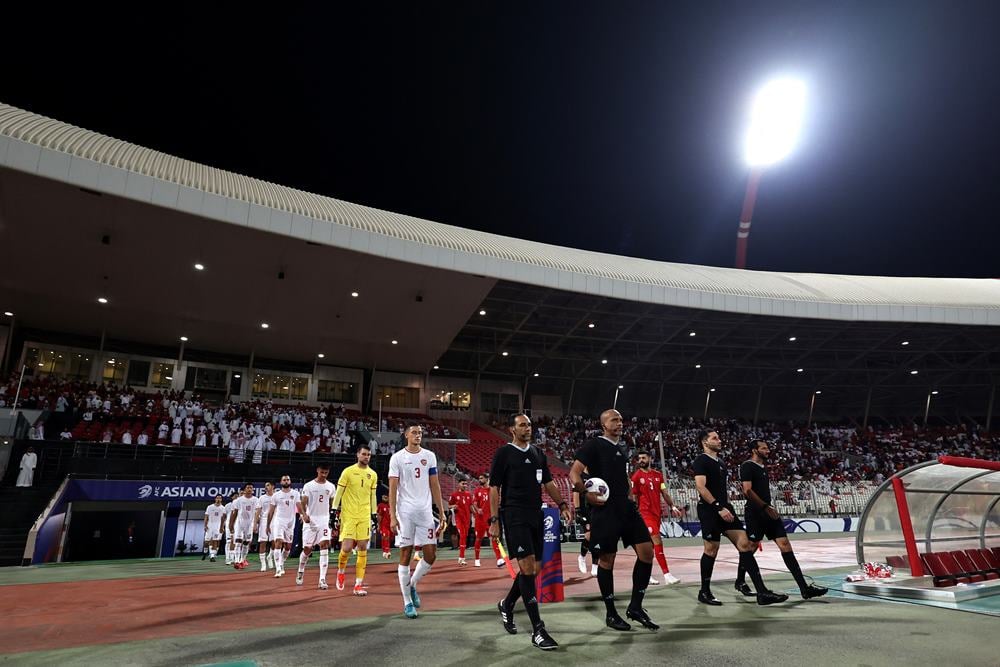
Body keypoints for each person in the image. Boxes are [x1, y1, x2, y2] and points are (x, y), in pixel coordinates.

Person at [568, 409, 659, 631]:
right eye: (614, 420)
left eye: (620, 419)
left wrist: (630, 496)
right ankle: (611, 613)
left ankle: (635, 607)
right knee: (607, 561)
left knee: (647, 552)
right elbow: (574, 474)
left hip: (626, 509)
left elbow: (623, 477)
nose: (619, 423)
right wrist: (586, 494)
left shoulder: (622, 448)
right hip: (605, 511)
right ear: (603, 425)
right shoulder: (594, 445)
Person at [490, 414, 571, 650]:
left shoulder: (537, 454)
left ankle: (506, 604)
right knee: (526, 568)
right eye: (522, 425)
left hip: (536, 514)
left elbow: (548, 483)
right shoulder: (503, 453)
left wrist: (563, 505)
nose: (528, 428)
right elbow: (494, 488)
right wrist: (494, 520)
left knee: (534, 570)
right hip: (514, 514)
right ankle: (538, 630)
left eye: (529, 424)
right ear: (512, 429)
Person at [693, 430, 787, 606]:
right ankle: (704, 592)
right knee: (711, 550)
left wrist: (724, 507)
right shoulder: (701, 460)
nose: (719, 440)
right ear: (705, 442)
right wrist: (718, 507)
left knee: (745, 545)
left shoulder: (720, 462)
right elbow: (701, 487)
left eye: (718, 436)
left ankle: (762, 592)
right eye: (715, 438)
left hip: (725, 508)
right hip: (710, 509)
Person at [733, 441, 828, 600]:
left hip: (768, 511)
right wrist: (765, 507)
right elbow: (747, 490)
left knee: (785, 545)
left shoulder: (763, 468)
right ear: (754, 450)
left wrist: (768, 508)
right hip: (756, 512)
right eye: (763, 448)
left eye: (768, 448)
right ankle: (740, 580)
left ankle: (804, 588)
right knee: (751, 547)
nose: (767, 450)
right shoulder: (747, 466)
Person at [388, 423, 448, 618]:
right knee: (405, 555)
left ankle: (412, 584)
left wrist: (442, 511)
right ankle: (407, 603)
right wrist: (392, 516)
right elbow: (393, 489)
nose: (418, 435)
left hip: (425, 512)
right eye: (414, 432)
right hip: (405, 512)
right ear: (406, 435)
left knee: (431, 555)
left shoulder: (429, 456)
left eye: (420, 433)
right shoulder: (397, 458)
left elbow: (435, 485)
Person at [333, 443, 378, 595]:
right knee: (346, 548)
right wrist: (334, 510)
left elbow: (373, 496)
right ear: (358, 454)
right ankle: (341, 571)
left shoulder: (373, 474)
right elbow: (339, 492)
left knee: (363, 548)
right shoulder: (348, 472)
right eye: (364, 454)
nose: (366, 457)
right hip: (349, 515)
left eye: (369, 455)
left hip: (364, 515)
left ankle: (358, 584)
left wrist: (374, 514)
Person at [630, 450, 681, 585]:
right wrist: (634, 514)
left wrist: (672, 506)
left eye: (643, 458)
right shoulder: (636, 477)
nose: (641, 460)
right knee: (657, 540)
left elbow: (664, 492)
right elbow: (634, 497)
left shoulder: (658, 476)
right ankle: (667, 574)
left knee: (649, 546)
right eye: (639, 458)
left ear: (650, 459)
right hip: (644, 514)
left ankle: (646, 574)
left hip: (656, 514)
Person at [297, 463, 336, 589]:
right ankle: (301, 569)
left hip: (324, 520)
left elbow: (332, 504)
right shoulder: (308, 486)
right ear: (318, 470)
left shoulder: (330, 486)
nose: (324, 475)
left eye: (326, 473)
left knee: (324, 545)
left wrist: (333, 517)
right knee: (307, 549)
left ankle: (322, 579)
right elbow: (303, 503)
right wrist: (304, 515)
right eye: (322, 472)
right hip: (311, 520)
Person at [267, 474, 299, 578]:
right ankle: (278, 569)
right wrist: (268, 525)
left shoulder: (296, 493)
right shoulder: (276, 495)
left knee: (288, 547)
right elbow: (271, 511)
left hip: (290, 522)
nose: (286, 481)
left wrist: (303, 515)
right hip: (279, 521)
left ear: (290, 481)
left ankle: (281, 563)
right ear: (281, 482)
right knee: (278, 542)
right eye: (284, 480)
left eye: (288, 479)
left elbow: (299, 506)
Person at [471, 473, 504, 567]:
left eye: (481, 478)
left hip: (490, 518)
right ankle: (477, 559)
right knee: (478, 538)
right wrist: (478, 509)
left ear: (487, 479)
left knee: (494, 537)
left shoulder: (492, 490)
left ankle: (499, 559)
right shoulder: (477, 490)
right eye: (479, 478)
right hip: (480, 519)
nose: (479, 480)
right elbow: (474, 503)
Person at [572, 478, 598, 577]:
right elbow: (575, 492)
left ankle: (595, 566)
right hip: (585, 510)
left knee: (597, 538)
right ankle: (582, 556)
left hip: (596, 509)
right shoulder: (579, 476)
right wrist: (577, 510)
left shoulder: (597, 472)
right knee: (589, 535)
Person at [229, 483, 257, 569]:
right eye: (248, 487)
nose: (250, 489)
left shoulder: (256, 500)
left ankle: (242, 560)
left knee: (246, 543)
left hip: (250, 524)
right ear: (244, 490)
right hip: (239, 523)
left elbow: (257, 513)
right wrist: (231, 524)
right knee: (238, 542)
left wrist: (256, 524)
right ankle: (236, 561)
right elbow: (234, 513)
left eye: (251, 488)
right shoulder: (238, 500)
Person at [448, 479, 473, 565]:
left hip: (467, 519)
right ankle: (461, 557)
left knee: (464, 537)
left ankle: (461, 557)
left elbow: (471, 506)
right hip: (458, 519)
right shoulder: (454, 495)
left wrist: (476, 515)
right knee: (462, 535)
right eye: (463, 484)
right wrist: (453, 506)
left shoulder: (469, 495)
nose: (465, 485)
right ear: (458, 484)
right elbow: (449, 506)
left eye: (466, 484)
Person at [254, 481, 275, 571]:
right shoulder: (262, 498)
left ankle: (270, 556)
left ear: (273, 486)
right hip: (263, 520)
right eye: (265, 486)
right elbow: (258, 511)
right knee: (263, 542)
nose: (266, 487)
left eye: (268, 485)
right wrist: (255, 523)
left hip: (275, 520)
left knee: (275, 542)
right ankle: (263, 564)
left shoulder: (277, 496)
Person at [203, 495, 227, 562]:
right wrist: (205, 525)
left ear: (221, 499)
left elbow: (223, 519)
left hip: (217, 527)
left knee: (215, 540)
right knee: (206, 542)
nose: (218, 499)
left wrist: (222, 527)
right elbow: (206, 517)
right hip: (210, 526)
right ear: (215, 499)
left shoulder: (223, 508)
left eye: (220, 498)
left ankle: (212, 556)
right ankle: (205, 552)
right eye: (217, 498)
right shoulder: (210, 507)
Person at [377, 493, 394, 559]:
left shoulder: (391, 505)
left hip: (391, 524)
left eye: (386, 496)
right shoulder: (380, 505)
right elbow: (379, 516)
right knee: (385, 536)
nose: (385, 497)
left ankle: (385, 550)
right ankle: (386, 551)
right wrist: (379, 525)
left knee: (390, 538)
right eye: (383, 496)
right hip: (384, 525)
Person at [223, 492, 238, 564]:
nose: (236, 497)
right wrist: (222, 526)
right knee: (228, 541)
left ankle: (232, 558)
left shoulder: (239, 504)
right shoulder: (227, 505)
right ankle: (227, 558)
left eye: (237, 496)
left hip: (237, 525)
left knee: (234, 542)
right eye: (235, 496)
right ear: (232, 497)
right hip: (228, 525)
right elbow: (224, 517)